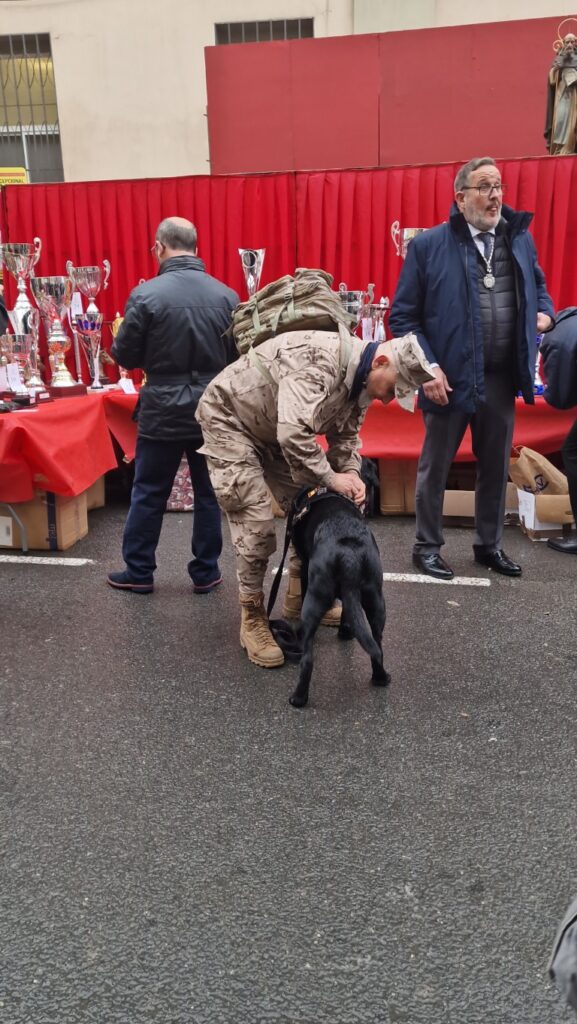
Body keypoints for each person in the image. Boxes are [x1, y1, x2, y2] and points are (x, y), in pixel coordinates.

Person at [196, 327, 435, 669]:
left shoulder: (363, 383)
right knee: (257, 521)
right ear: (380, 361)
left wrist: (350, 475)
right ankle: (252, 617)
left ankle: (302, 596)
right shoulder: (320, 361)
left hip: (274, 427)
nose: (388, 399)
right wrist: (330, 477)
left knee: (307, 507)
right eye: (393, 388)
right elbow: (293, 434)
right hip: (231, 420)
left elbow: (347, 440)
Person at [389, 156, 555, 580]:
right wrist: (428, 369)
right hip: (449, 378)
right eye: (484, 187)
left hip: (500, 377)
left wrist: (544, 313)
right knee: (436, 466)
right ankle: (426, 547)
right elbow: (403, 318)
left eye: (498, 186)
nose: (495, 195)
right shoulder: (428, 247)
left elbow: (538, 284)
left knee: (496, 465)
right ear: (461, 197)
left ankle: (489, 546)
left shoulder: (518, 239)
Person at [107, 216, 239, 594]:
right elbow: (237, 357)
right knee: (209, 493)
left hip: (162, 407)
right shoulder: (226, 295)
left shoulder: (147, 295)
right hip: (212, 408)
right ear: (196, 248)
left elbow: (125, 355)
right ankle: (206, 571)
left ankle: (139, 571)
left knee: (149, 490)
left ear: (159, 248)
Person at [540, 307, 577, 553]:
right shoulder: (571, 321)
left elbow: (560, 399)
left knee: (573, 451)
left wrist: (546, 387)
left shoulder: (556, 339)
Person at [545, 33, 577, 156]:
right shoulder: (558, 59)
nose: (569, 45)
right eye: (567, 42)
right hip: (562, 95)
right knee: (560, 120)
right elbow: (552, 81)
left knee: (572, 124)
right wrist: (556, 69)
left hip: (574, 96)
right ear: (563, 43)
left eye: (572, 42)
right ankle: (559, 149)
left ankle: (570, 148)